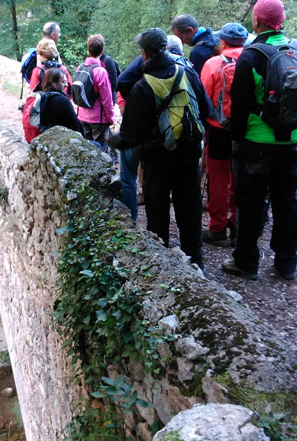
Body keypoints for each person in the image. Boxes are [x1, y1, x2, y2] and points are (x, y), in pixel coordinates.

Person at [223, 0, 297, 281]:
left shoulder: (251, 56)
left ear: (257, 20)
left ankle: (247, 261)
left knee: (251, 203)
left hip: (257, 143)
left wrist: (236, 141)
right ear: (282, 20)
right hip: (293, 141)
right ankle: (286, 262)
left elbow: (238, 106)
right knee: (287, 202)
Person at [108, 28, 209, 268]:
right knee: (189, 210)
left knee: (157, 212)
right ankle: (195, 263)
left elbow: (131, 136)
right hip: (188, 154)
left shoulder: (143, 87)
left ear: (143, 53)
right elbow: (204, 109)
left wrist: (113, 139)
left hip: (157, 159)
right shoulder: (187, 73)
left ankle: (162, 266)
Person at [199, 22, 249, 245]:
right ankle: (238, 225)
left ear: (222, 41)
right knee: (240, 178)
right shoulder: (252, 60)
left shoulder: (212, 63)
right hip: (247, 131)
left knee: (217, 180)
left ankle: (217, 228)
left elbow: (203, 98)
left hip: (218, 130)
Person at [75, 34, 115, 148]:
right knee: (100, 150)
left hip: (82, 116)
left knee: (87, 148)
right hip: (98, 119)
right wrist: (111, 117)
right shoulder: (100, 71)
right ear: (102, 51)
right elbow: (106, 98)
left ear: (88, 49)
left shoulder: (80, 67)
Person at [36, 67, 84, 135]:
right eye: (63, 82)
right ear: (53, 83)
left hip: (43, 136)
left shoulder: (42, 97)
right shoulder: (62, 101)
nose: (66, 85)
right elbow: (75, 126)